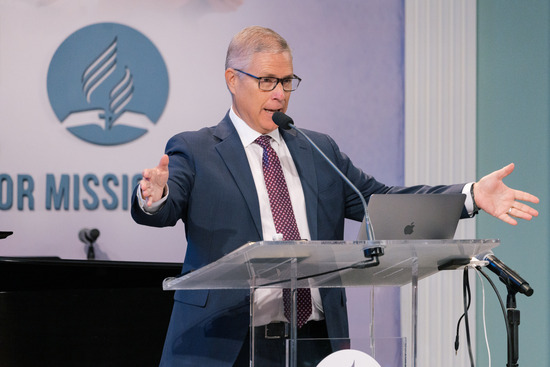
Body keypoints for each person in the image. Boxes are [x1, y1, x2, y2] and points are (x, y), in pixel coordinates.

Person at [131, 26, 539, 367]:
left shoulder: (317, 149)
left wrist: (469, 196)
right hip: (226, 345)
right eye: (267, 81)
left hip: (314, 346)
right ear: (231, 79)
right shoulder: (196, 148)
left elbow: (379, 200)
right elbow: (163, 207)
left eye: (288, 82)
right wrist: (155, 195)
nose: (280, 93)